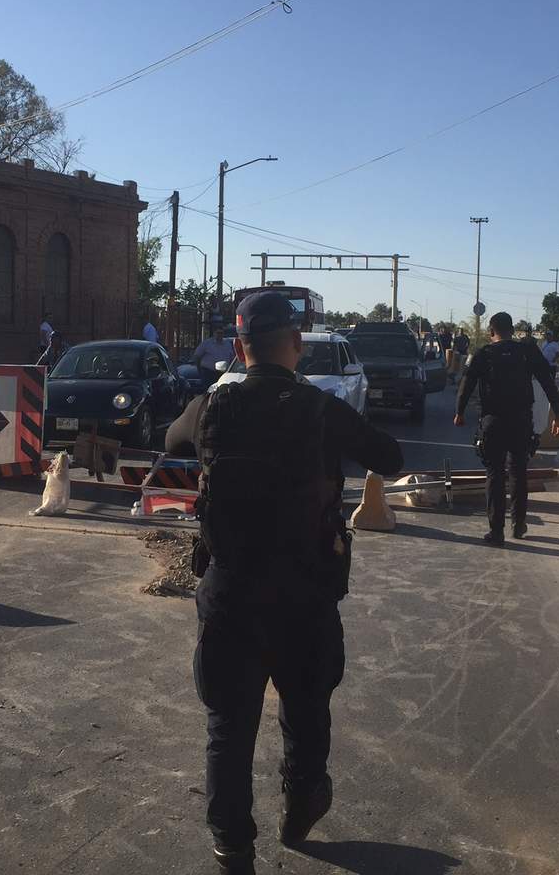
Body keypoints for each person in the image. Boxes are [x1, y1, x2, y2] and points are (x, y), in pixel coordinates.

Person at [166, 291, 403, 874]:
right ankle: (299, 808)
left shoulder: (210, 409)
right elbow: (391, 457)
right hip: (305, 593)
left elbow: (171, 442)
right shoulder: (320, 409)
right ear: (295, 343)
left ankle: (232, 846)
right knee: (306, 707)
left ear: (238, 347)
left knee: (229, 722)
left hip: (231, 592)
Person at [454, 311, 559, 547]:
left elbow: (467, 383)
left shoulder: (484, 353)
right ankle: (519, 523)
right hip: (521, 421)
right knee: (518, 471)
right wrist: (558, 414)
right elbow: (547, 380)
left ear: (491, 332)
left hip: (493, 421)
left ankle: (496, 531)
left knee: (494, 474)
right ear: (512, 330)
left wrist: (459, 412)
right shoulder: (527, 351)